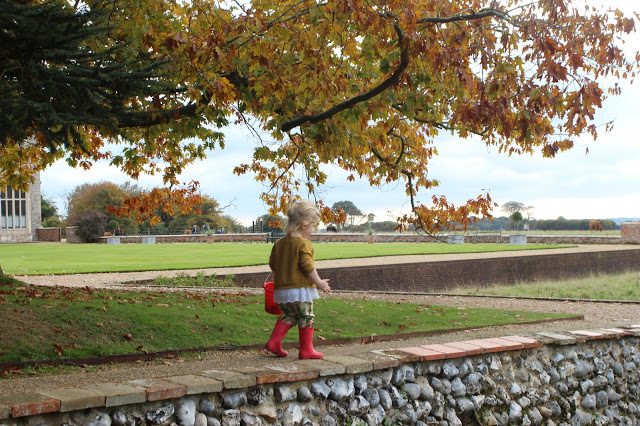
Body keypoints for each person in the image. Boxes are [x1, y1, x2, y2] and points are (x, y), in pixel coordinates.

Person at [265, 200, 331, 359]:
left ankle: (274, 342)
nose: (314, 230)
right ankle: (306, 350)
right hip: (300, 290)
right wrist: (319, 282)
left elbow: (273, 264)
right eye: (313, 225)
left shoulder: (279, 243)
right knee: (306, 316)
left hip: (282, 291)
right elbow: (307, 266)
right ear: (304, 224)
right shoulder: (304, 243)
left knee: (289, 315)